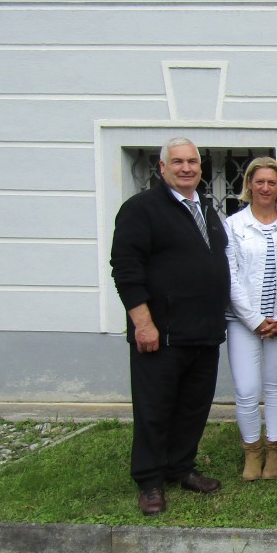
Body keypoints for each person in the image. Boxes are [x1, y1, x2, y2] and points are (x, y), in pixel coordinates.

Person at [110, 137, 229, 516]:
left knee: (193, 406)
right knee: (154, 409)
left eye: (192, 161)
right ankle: (149, 481)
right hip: (161, 334)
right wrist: (143, 323)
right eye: (177, 161)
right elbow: (126, 269)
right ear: (162, 168)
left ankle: (181, 467)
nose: (186, 168)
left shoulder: (206, 209)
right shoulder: (142, 209)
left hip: (204, 331)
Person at [225, 158, 277, 481]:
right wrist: (254, 319)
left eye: (272, 182)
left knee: (276, 385)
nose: (265, 188)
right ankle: (252, 451)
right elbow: (230, 277)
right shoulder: (234, 225)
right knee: (246, 388)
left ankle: (275, 450)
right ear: (249, 185)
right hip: (244, 322)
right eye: (260, 182)